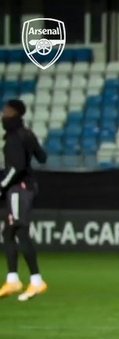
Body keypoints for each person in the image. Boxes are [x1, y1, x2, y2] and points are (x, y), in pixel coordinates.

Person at [0, 99, 48, 301]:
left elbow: (15, 168)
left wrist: (2, 185)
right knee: (9, 232)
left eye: (7, 111)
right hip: (26, 187)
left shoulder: (13, 137)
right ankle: (14, 279)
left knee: (19, 231)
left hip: (19, 188)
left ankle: (34, 281)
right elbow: (42, 157)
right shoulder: (27, 134)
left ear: (15, 113)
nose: (3, 114)